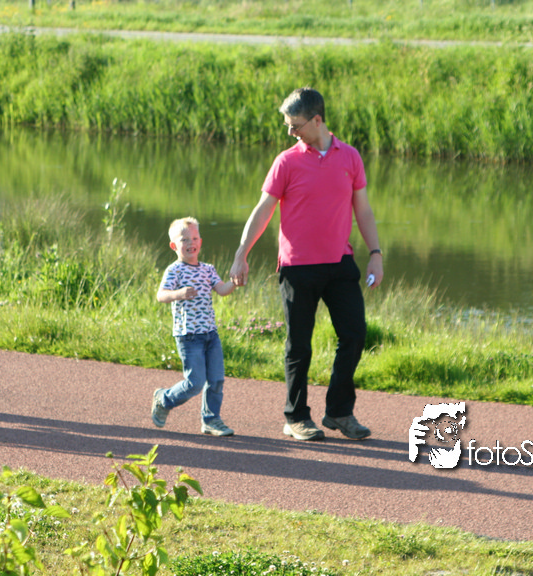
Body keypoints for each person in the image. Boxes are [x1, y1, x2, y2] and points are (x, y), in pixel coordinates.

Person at [229, 87, 384, 442]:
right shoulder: (286, 161)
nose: (290, 131)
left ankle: (339, 411)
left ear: (317, 120)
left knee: (355, 335)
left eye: (295, 124)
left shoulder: (350, 157)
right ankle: (296, 417)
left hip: (340, 263)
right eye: (287, 124)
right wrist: (241, 253)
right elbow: (263, 210)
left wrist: (376, 253)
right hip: (297, 268)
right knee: (299, 345)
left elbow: (363, 209)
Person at [153, 216, 236, 436]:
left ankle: (211, 420)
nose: (191, 243)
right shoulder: (175, 270)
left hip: (210, 334)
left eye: (195, 238)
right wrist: (178, 294)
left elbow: (222, 290)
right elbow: (161, 295)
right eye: (184, 239)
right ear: (174, 246)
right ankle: (164, 398)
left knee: (216, 380)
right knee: (195, 383)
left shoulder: (208, 269)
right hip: (188, 336)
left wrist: (234, 283)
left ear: (201, 241)